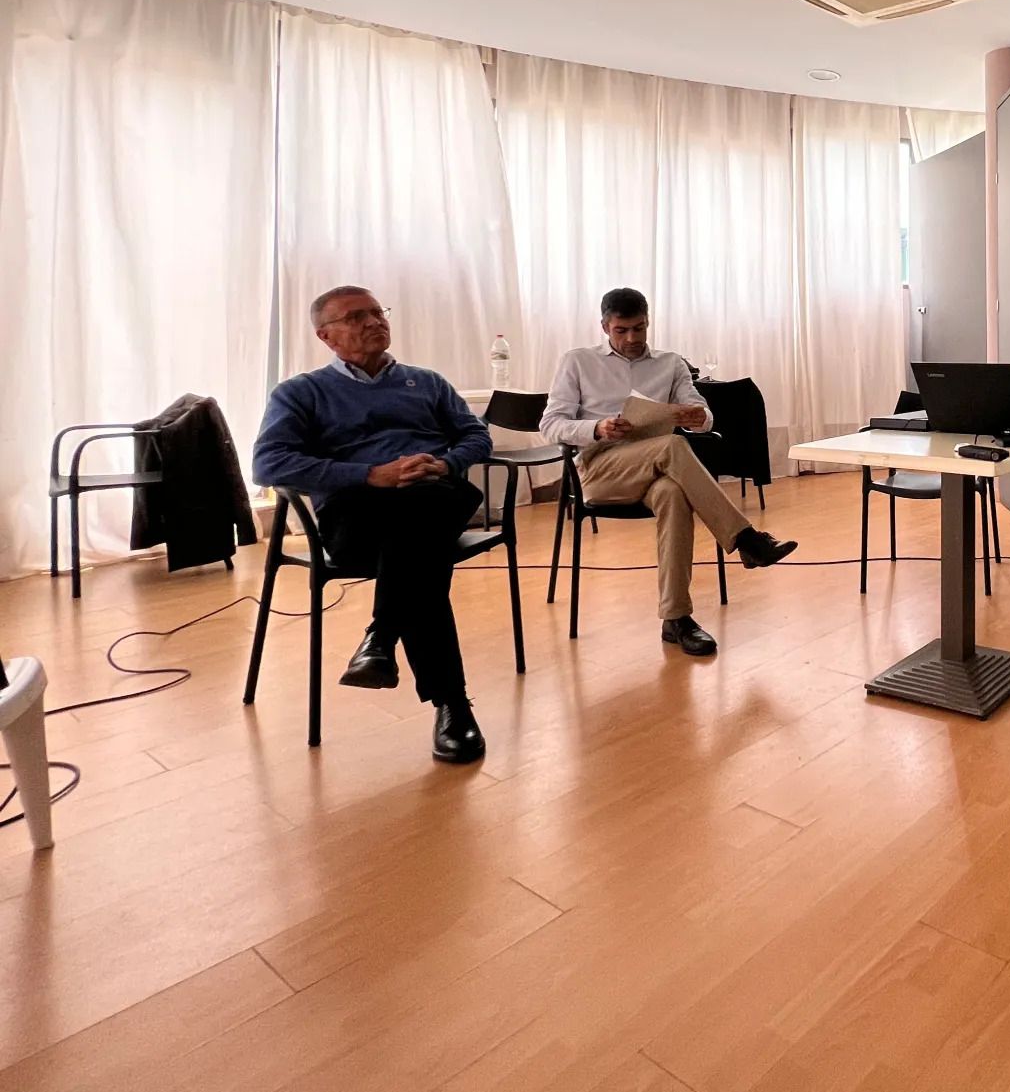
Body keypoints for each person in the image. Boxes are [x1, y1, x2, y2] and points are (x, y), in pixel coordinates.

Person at [251, 286, 494, 764]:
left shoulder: (426, 382)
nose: (372, 322)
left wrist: (445, 465)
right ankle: (451, 706)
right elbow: (268, 462)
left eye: (376, 312)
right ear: (326, 336)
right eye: (354, 317)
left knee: (427, 506)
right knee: (422, 557)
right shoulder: (302, 392)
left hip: (435, 496)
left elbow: (475, 435)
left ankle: (382, 638)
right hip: (357, 517)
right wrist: (370, 475)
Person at [540, 287, 796, 656]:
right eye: (621, 330)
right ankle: (747, 540)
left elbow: (704, 416)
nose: (631, 338)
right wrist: (596, 428)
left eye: (639, 329)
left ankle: (676, 618)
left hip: (657, 469)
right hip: (601, 468)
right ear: (604, 327)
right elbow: (550, 425)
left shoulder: (670, 363)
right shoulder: (577, 361)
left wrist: (699, 419)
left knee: (674, 493)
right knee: (675, 446)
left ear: (648, 322)